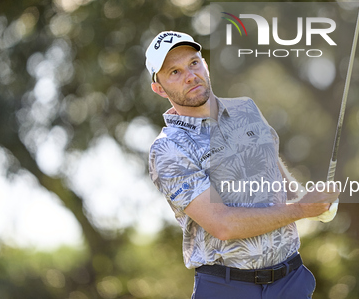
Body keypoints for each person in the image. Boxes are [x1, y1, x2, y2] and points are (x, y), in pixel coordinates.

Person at [145, 30, 340, 298]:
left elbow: (278, 177)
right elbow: (222, 224)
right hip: (227, 287)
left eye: (193, 63)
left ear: (205, 63)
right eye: (174, 72)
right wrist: (302, 209)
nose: (190, 75)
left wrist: (314, 201)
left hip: (290, 282)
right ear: (159, 88)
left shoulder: (246, 109)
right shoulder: (168, 148)